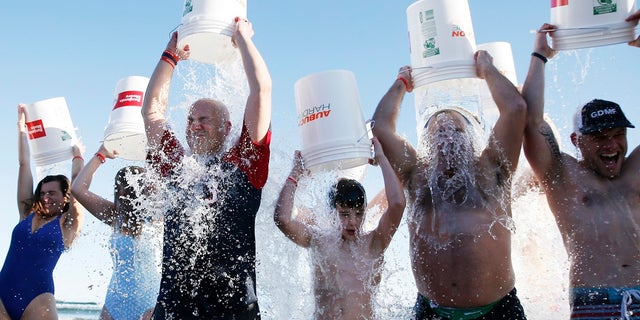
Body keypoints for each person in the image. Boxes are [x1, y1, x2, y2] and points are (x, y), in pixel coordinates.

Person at [372, 51, 528, 319]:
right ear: (427, 146)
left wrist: (487, 68)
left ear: (472, 139)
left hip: (498, 310)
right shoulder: (417, 178)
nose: (447, 139)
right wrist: (402, 83)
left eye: (456, 131)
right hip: (432, 311)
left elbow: (515, 109)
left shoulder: (492, 172)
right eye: (438, 133)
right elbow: (381, 127)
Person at [142, 17, 272, 319]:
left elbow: (261, 91)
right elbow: (151, 112)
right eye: (190, 120)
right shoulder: (178, 165)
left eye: (204, 120)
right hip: (175, 308)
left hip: (236, 307)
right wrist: (170, 56)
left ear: (227, 128)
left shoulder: (245, 164)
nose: (194, 126)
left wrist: (243, 41)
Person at [522, 17, 640, 319]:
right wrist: (539, 56)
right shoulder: (564, 175)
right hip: (594, 302)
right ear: (576, 140)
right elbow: (531, 122)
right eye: (600, 138)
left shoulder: (636, 169)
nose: (612, 146)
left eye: (618, 136)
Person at [274, 138, 406, 319]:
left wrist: (382, 159)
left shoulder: (374, 244)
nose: (352, 222)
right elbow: (282, 219)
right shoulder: (319, 242)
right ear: (332, 214)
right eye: (344, 214)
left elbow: (398, 203)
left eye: (358, 214)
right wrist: (295, 173)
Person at [0, 104, 84, 320]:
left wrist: (78, 158)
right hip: (2, 293)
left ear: (64, 197)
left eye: (52, 193)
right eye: (43, 193)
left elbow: (78, 187)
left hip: (38, 297)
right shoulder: (27, 213)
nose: (45, 197)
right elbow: (23, 164)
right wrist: (21, 127)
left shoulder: (68, 223)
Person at [71, 144, 161, 320]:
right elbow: (78, 189)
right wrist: (101, 154)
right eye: (119, 186)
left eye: (129, 185)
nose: (123, 191)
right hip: (114, 301)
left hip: (150, 302)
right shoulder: (115, 217)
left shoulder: (158, 218)